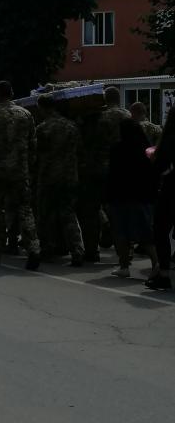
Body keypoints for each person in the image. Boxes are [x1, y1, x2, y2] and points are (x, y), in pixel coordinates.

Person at [0, 81, 41, 270]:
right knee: (25, 211)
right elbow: (33, 144)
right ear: (12, 93)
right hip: (20, 172)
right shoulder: (26, 114)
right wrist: (28, 167)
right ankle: (33, 249)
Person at [77, 86, 130, 262]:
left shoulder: (98, 117)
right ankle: (124, 253)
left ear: (105, 99)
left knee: (90, 210)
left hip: (97, 169)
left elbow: (87, 142)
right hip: (121, 171)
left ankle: (92, 251)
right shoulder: (128, 116)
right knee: (120, 211)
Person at [106, 119, 160, 280]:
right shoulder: (147, 149)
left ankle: (124, 266)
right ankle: (156, 263)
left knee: (121, 233)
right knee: (145, 234)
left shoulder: (117, 149)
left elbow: (112, 175)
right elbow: (154, 174)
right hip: (143, 197)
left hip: (120, 196)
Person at [35, 94, 85, 266]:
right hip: (70, 176)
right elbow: (80, 150)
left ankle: (47, 248)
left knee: (45, 215)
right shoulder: (72, 126)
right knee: (68, 215)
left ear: (43, 108)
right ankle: (77, 251)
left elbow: (37, 154)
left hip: (49, 177)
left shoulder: (43, 128)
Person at [149, 107, 175, 290]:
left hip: (171, 190)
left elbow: (159, 165)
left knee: (161, 230)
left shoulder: (170, 139)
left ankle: (164, 273)